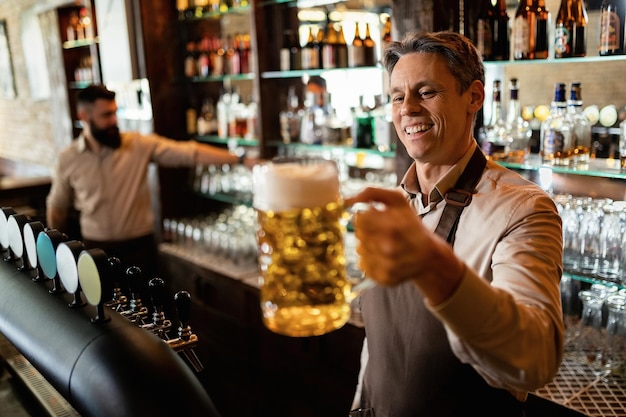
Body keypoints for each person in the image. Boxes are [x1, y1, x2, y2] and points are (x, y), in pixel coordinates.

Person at [346, 31, 564, 416]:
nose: (407, 109)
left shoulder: (523, 209)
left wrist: (436, 269)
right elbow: (379, 348)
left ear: (474, 97)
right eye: (397, 96)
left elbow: (536, 359)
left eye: (427, 92)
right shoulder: (394, 204)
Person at [46, 84, 253, 287]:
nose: (114, 121)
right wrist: (59, 255)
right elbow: (57, 208)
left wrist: (240, 159)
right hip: (95, 250)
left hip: (141, 248)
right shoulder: (69, 158)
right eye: (106, 115)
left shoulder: (137, 144)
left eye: (115, 113)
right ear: (84, 116)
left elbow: (189, 153)